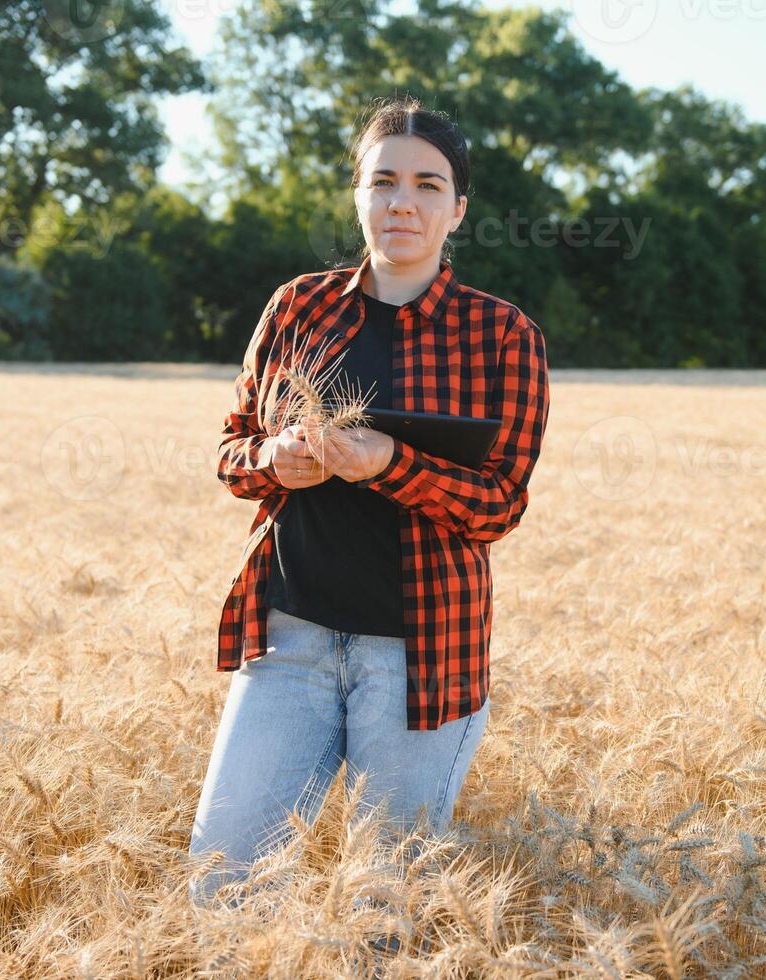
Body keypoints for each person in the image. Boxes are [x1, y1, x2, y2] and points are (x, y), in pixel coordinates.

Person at [189, 95, 551, 918]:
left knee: (385, 906)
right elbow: (230, 453)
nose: (402, 203)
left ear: (458, 208)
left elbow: (497, 505)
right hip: (288, 642)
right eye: (382, 181)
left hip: (420, 659)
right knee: (224, 881)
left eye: (428, 185)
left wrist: (390, 463)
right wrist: (275, 462)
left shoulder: (501, 337)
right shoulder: (296, 308)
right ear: (357, 194)